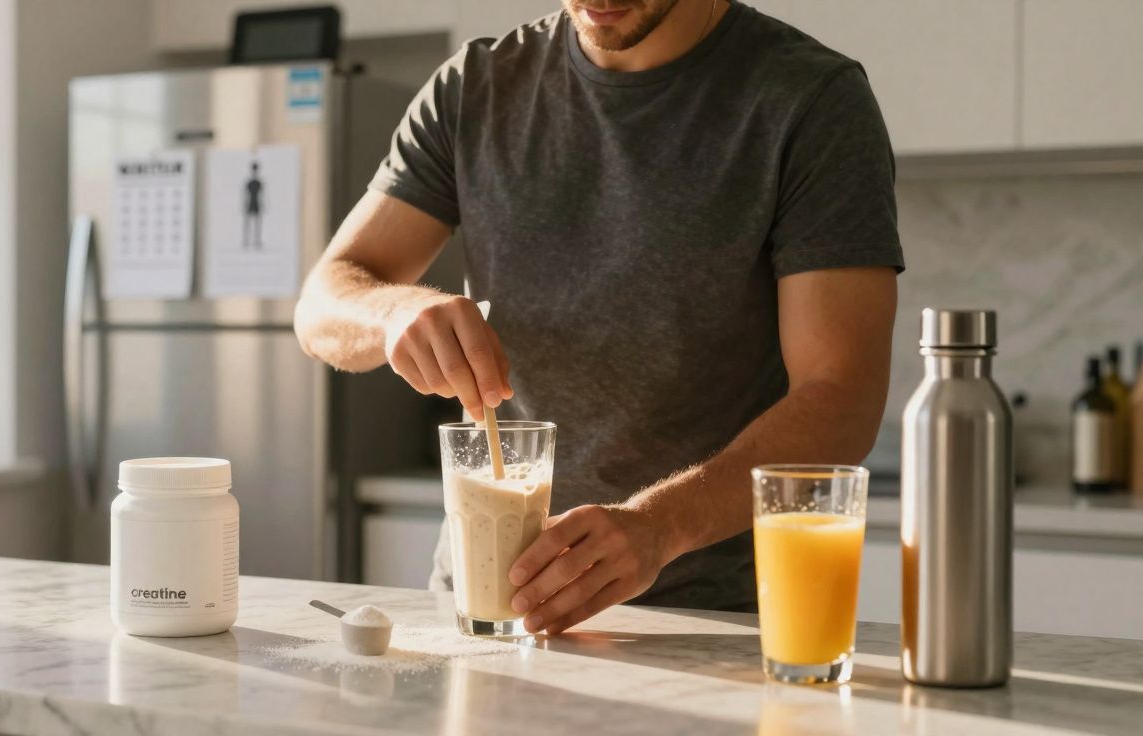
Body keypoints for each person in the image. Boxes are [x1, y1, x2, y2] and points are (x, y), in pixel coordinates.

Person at [294, 0, 903, 635]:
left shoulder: (810, 99)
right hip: (485, 610)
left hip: (713, 621)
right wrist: (393, 313)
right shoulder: (475, 86)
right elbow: (324, 302)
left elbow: (842, 394)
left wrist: (660, 527)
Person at [243, 161, 264, 249]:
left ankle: (256, 240)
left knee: (256, 223)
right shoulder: (249, 183)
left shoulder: (259, 183)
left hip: (256, 203)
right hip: (250, 203)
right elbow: (245, 195)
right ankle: (247, 240)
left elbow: (262, 195)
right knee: (249, 223)